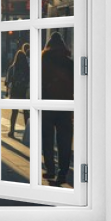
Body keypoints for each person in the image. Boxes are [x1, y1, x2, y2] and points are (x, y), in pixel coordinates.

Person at [41, 31, 74, 185]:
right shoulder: (69, 62)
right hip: (66, 106)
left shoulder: (43, 61)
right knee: (65, 141)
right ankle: (63, 173)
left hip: (47, 105)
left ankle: (50, 169)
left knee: (47, 139)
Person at [5, 50, 30, 138]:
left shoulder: (12, 67)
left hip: (15, 92)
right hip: (24, 92)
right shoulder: (27, 68)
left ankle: (11, 131)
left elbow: (7, 81)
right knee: (26, 112)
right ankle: (28, 132)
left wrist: (7, 91)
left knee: (14, 112)